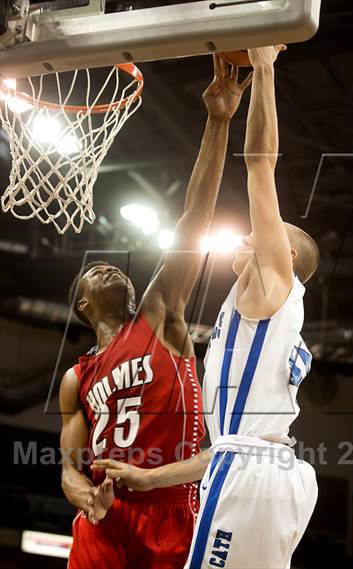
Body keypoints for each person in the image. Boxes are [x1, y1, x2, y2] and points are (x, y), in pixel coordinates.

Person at [93, 45, 320, 569]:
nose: (246, 233)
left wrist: (264, 66)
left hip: (252, 474)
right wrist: (149, 478)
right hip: (260, 467)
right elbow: (224, 448)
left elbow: (261, 167)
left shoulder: (272, 283)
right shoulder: (260, 314)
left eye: (261, 234)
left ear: (281, 255)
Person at [60, 54, 252, 569]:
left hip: (168, 511)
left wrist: (217, 120)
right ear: (83, 305)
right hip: (105, 518)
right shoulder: (77, 377)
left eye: (114, 269)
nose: (110, 270)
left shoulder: (156, 315)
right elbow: (68, 469)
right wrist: (84, 496)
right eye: (95, 273)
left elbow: (194, 220)